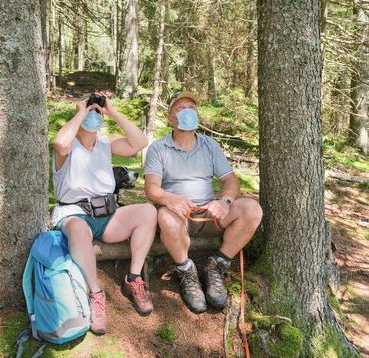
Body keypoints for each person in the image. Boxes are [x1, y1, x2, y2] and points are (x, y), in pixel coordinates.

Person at [144, 91, 263, 314]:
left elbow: (230, 181)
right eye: (181, 109)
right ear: (171, 118)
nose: (188, 112)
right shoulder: (158, 148)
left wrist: (225, 202)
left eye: (192, 107)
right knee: (165, 217)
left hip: (210, 215)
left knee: (252, 209)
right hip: (180, 217)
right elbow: (150, 189)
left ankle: (216, 266)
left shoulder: (210, 145)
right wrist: (170, 198)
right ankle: (186, 271)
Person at [51, 92, 157, 334]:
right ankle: (96, 295)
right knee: (77, 227)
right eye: (91, 111)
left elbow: (139, 143)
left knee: (148, 212)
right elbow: (60, 144)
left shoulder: (105, 143)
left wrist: (111, 111)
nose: (94, 114)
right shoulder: (69, 145)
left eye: (97, 112)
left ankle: (133, 278)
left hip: (108, 216)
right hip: (76, 214)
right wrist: (81, 111)